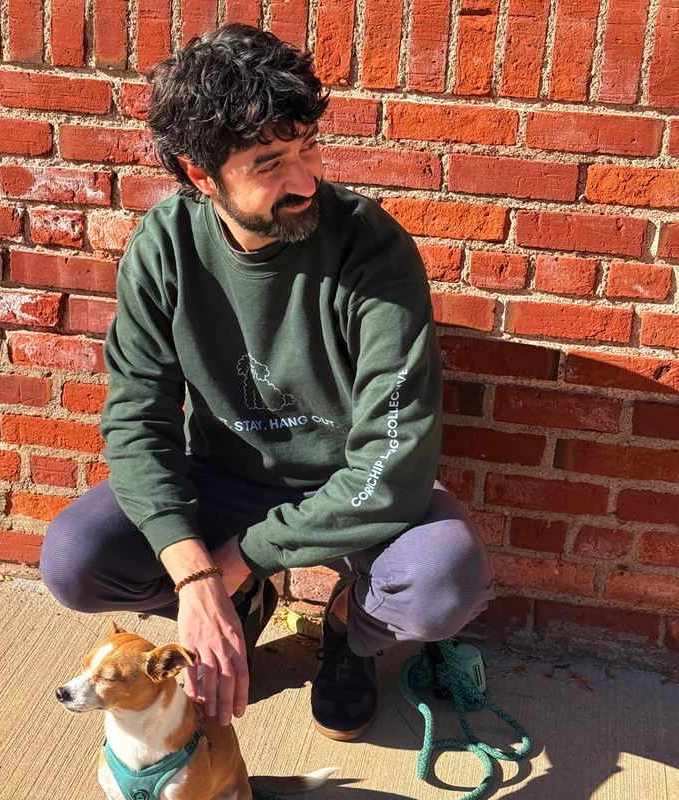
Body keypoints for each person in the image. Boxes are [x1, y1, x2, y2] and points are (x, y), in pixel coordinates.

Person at [41, 23, 494, 742]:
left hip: (355, 488)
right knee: (74, 560)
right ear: (200, 174)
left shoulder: (372, 249)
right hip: (227, 478)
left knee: (444, 582)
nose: (305, 180)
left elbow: (395, 462)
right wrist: (196, 578)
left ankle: (347, 628)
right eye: (270, 162)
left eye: (308, 147)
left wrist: (238, 559)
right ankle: (238, 609)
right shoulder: (163, 247)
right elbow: (137, 419)